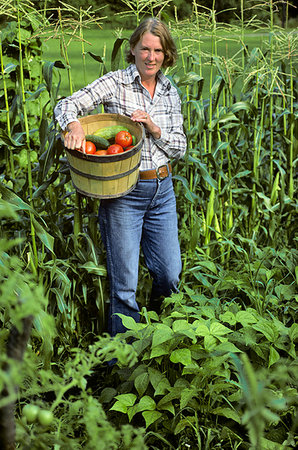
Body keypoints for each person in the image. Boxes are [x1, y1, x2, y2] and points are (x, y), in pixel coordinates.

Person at [54, 18, 187, 336]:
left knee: (169, 275)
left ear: (166, 55)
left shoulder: (170, 91)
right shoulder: (115, 83)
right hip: (124, 192)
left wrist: (154, 128)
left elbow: (179, 146)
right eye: (145, 49)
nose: (150, 57)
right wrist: (73, 125)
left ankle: (154, 337)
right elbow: (66, 103)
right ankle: (120, 366)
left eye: (158, 50)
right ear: (133, 49)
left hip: (162, 190)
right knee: (124, 287)